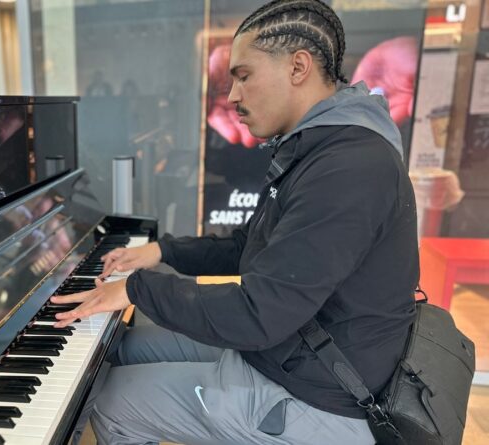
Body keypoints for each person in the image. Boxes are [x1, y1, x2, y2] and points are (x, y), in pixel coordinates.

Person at [52, 1, 418, 444]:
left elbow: (257, 314)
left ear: (298, 67)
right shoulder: (317, 147)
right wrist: (161, 251)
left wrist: (134, 288)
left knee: (111, 401)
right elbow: (249, 250)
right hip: (292, 348)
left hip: (322, 394)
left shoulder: (350, 166)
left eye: (243, 75)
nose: (232, 97)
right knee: (123, 348)